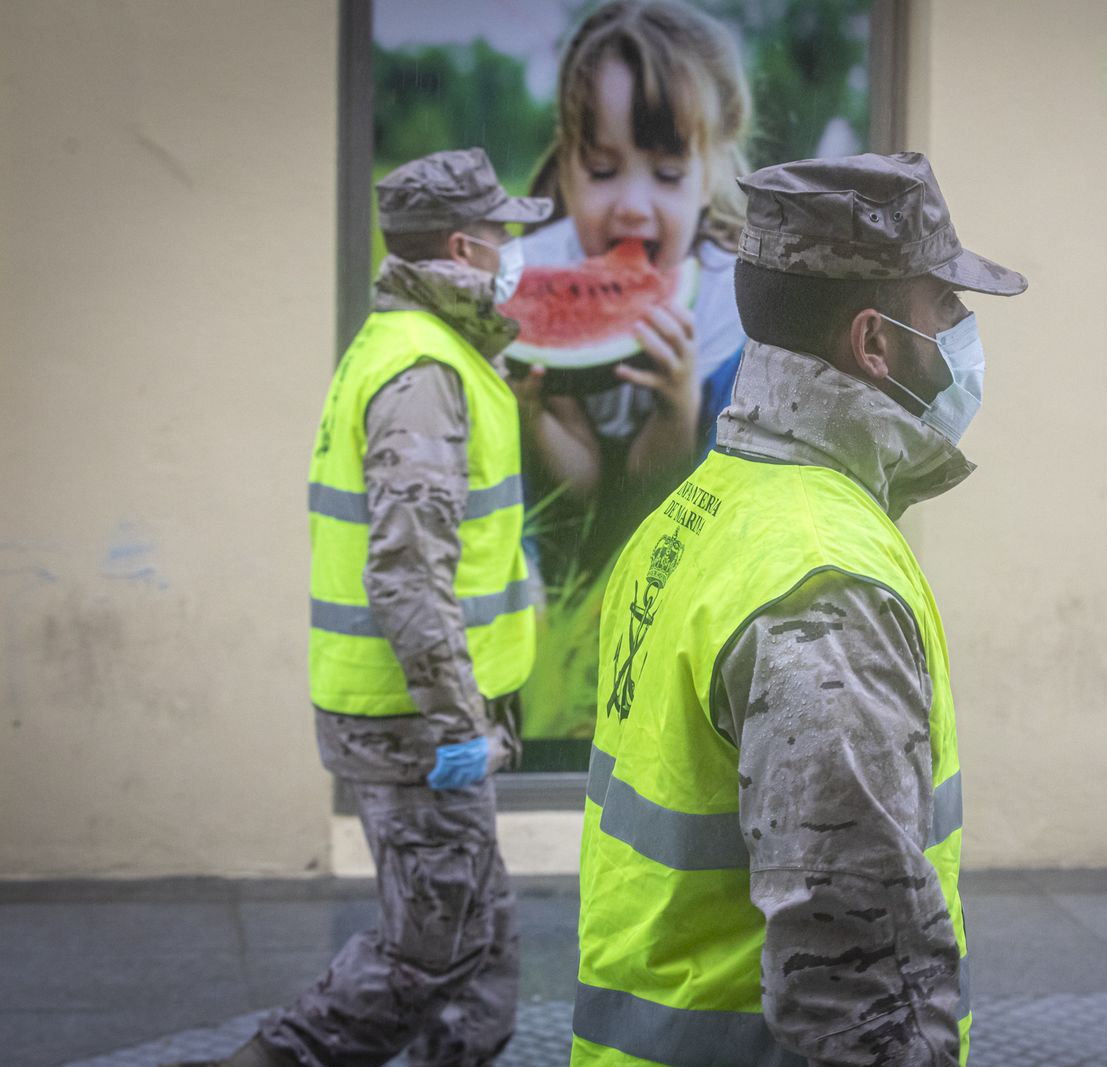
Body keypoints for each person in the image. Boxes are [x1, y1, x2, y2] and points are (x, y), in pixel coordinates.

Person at [571, 152, 1027, 1066]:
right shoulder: (828, 589)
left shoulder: (705, 508)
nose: (965, 332)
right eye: (945, 307)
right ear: (875, 342)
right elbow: (854, 994)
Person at [173, 148, 547, 1067]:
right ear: (463, 246)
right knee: (435, 945)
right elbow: (407, 570)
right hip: (418, 721)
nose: (512, 251)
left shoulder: (426, 349)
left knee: (485, 937)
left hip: (432, 714)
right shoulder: (421, 372)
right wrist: (460, 719)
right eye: (501, 234)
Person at [510, 0, 754, 748]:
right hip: (561, 550)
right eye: (605, 171)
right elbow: (579, 491)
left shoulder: (725, 304)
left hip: (674, 530)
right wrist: (530, 412)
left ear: (709, 173)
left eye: (668, 173)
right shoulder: (536, 272)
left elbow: (660, 493)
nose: (632, 207)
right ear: (571, 165)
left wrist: (677, 406)